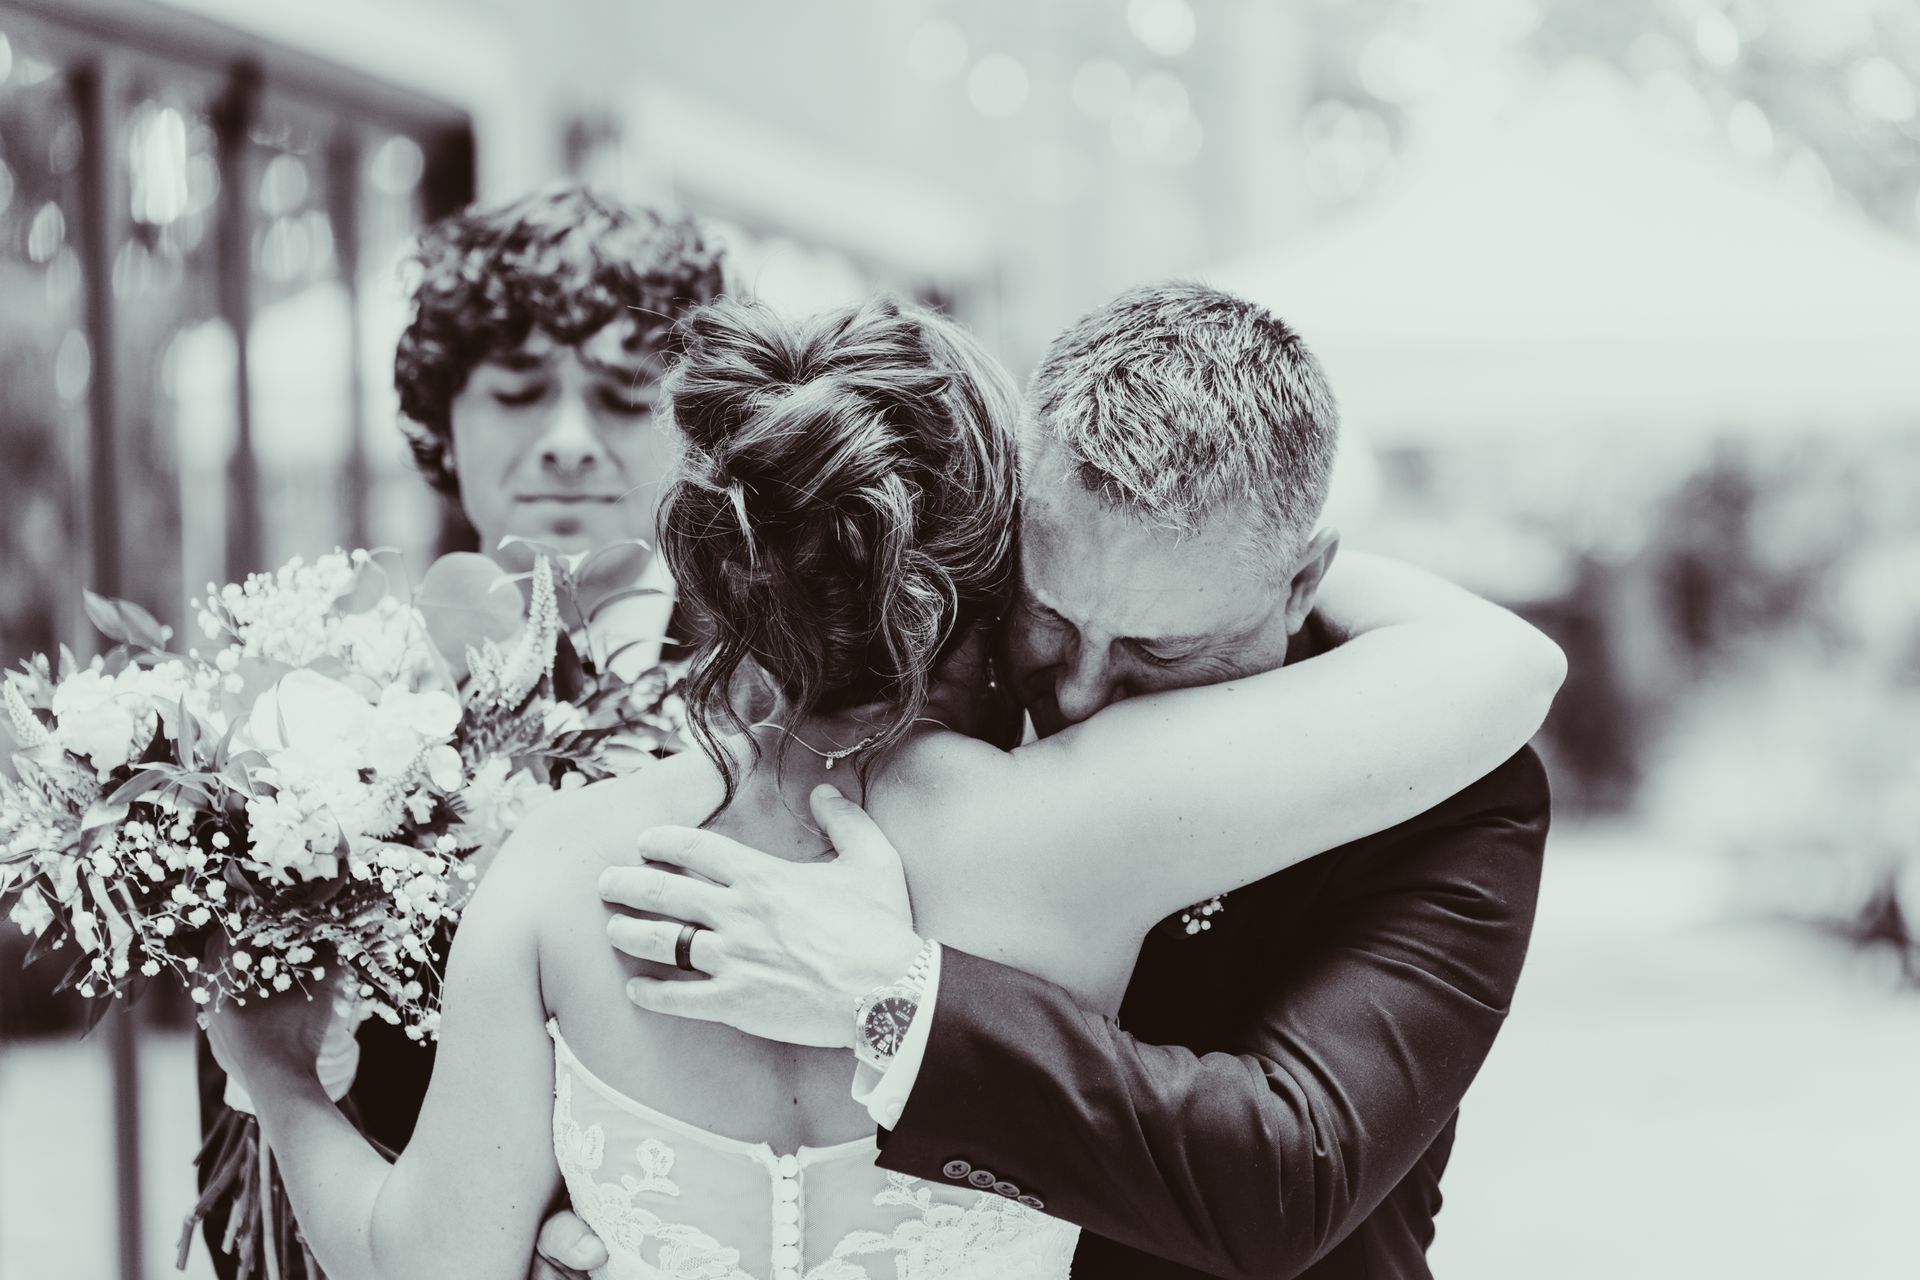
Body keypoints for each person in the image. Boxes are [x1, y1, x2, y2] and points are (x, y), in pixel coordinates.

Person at [210, 292, 1563, 1280]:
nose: (1084, 691)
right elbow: (1491, 657)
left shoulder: (559, 870)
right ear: (991, 544)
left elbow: (425, 1264)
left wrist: (275, 1080)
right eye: (1057, 617)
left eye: (1160, 647)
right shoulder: (1087, 822)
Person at [192, 185, 726, 1279]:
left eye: (626, 396)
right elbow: (256, 1047)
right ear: (444, 416)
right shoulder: (320, 688)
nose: (569, 441)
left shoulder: (771, 697)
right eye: (519, 390)